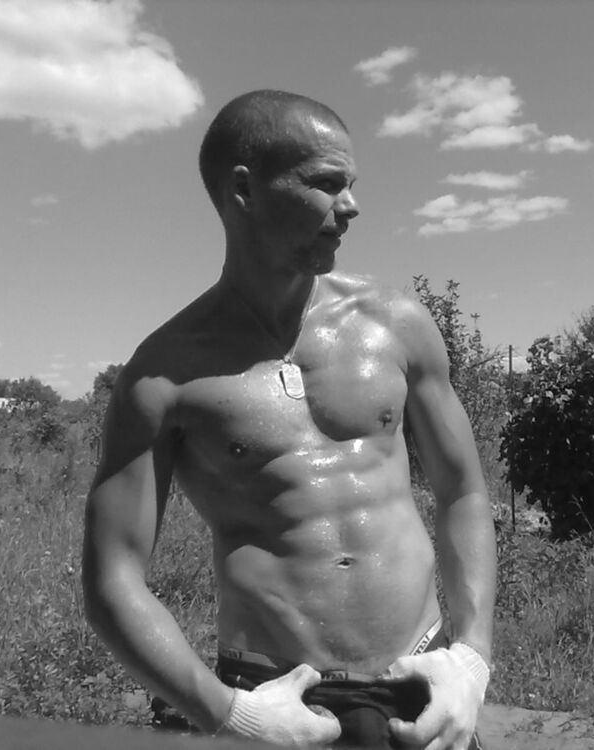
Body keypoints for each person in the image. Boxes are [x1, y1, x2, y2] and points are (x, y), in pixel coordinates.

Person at [81, 89, 497, 750]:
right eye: (327, 184)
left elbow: (464, 491)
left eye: (351, 185)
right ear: (244, 189)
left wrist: (471, 656)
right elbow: (112, 579)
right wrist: (231, 714)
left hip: (422, 680)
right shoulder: (163, 375)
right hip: (277, 702)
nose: (351, 206)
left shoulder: (396, 325)